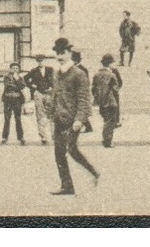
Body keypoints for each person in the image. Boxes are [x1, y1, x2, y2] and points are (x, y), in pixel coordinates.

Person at [47, 37, 97, 196]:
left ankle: (92, 173)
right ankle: (68, 186)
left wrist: (79, 120)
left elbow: (84, 98)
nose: (59, 57)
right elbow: (54, 95)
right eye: (57, 53)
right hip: (58, 119)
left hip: (72, 120)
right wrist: (50, 115)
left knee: (68, 149)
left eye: (62, 53)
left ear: (69, 53)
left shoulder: (79, 73)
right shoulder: (56, 73)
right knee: (62, 152)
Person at [92, 54, 122, 148]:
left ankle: (106, 139)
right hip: (110, 101)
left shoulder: (96, 74)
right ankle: (107, 141)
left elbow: (93, 89)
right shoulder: (111, 74)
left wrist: (98, 97)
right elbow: (116, 87)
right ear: (109, 64)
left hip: (101, 101)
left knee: (106, 120)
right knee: (110, 122)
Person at [25, 52, 55, 146]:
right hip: (39, 93)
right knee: (40, 114)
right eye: (38, 61)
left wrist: (52, 87)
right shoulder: (33, 71)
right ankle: (44, 137)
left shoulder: (50, 70)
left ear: (44, 61)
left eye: (42, 60)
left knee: (52, 114)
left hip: (49, 93)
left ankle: (54, 135)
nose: (40, 62)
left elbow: (56, 79)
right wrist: (33, 86)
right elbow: (26, 79)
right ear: (36, 61)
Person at [0, 61, 28, 143]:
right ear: (10, 69)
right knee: (7, 119)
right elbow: (8, 85)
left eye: (16, 68)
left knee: (18, 118)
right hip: (8, 99)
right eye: (13, 68)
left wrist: (17, 80)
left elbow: (23, 86)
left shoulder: (20, 77)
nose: (15, 70)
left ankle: (21, 137)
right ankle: (4, 137)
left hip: (17, 100)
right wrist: (17, 86)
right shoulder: (6, 77)